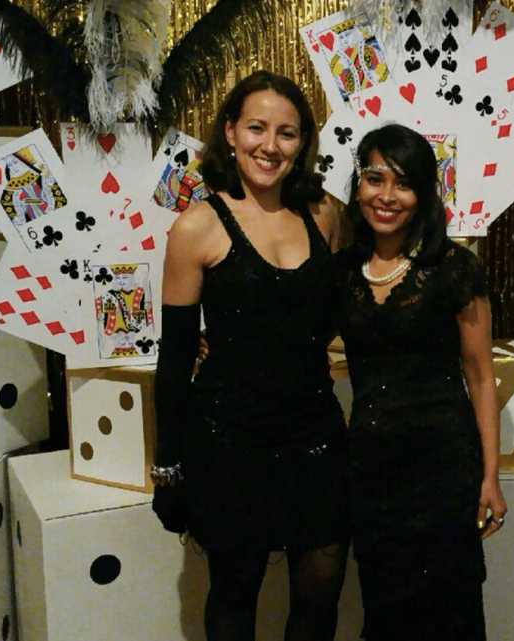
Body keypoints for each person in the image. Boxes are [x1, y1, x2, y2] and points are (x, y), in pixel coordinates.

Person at [151, 70, 349, 641]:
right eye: (257, 128)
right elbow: (174, 359)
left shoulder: (324, 216)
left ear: (302, 143)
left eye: (286, 133)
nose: (270, 145)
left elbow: (337, 315)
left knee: (319, 599)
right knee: (235, 596)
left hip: (315, 433)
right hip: (229, 441)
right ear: (231, 133)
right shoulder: (196, 226)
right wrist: (168, 469)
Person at [333, 123, 507, 640]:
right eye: (374, 178)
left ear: (424, 195)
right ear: (357, 185)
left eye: (403, 183)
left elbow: (480, 377)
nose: (386, 196)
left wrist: (490, 476)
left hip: (443, 471)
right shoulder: (342, 271)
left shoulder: (454, 268)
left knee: (448, 609)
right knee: (385, 610)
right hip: (372, 472)